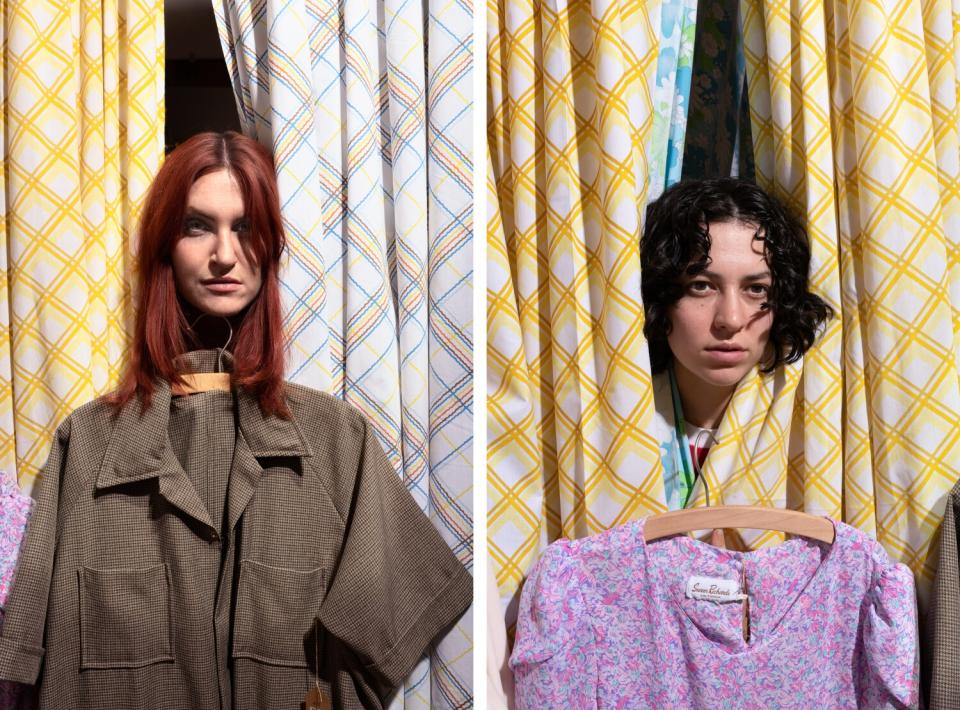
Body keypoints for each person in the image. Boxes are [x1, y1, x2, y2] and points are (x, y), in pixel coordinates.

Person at [0, 132, 472, 709]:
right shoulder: (89, 443)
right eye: (197, 226)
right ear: (164, 247)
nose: (224, 253)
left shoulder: (333, 440)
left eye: (244, 228)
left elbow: (417, 597)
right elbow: (20, 658)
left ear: (270, 246)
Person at [640, 177, 832, 509]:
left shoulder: (812, 428)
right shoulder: (619, 421)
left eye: (756, 289)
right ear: (661, 295)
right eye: (701, 285)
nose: (730, 319)